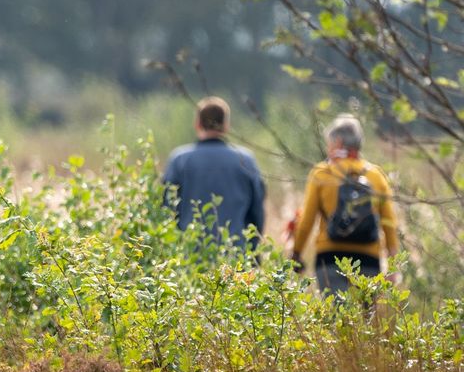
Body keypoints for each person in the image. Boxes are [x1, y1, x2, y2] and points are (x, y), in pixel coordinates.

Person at [290, 114, 400, 298]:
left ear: (338, 142)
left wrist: (296, 254)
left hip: (330, 258)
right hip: (369, 260)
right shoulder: (376, 175)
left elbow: (307, 221)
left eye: (329, 143)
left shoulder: (322, 173)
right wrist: (394, 264)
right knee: (364, 322)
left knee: (335, 319)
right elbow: (389, 223)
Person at [163, 97, 267, 248]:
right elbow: (257, 212)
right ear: (226, 126)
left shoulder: (179, 160)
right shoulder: (245, 160)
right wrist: (253, 249)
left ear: (197, 124)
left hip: (189, 256)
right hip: (235, 256)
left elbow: (167, 209)